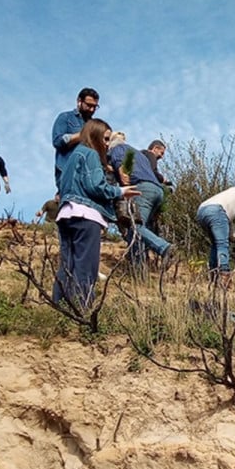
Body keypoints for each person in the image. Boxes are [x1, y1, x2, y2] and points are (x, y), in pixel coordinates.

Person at [53, 118, 139, 311]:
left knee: (67, 266)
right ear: (96, 136)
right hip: (86, 216)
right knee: (86, 266)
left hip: (66, 214)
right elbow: (96, 186)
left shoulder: (73, 156)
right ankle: (82, 310)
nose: (108, 144)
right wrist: (121, 192)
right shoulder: (90, 154)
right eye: (106, 139)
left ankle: (59, 308)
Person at [106, 131, 172, 264]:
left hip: (142, 190)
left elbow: (124, 176)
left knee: (134, 227)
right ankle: (139, 271)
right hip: (157, 191)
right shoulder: (136, 153)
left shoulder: (117, 148)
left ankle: (164, 248)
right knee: (140, 231)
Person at [196, 186, 235, 281]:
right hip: (216, 210)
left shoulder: (227, 203)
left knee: (216, 244)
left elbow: (231, 234)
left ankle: (213, 275)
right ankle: (224, 274)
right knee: (222, 244)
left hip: (201, 213)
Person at [52, 87, 99, 188]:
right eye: (89, 105)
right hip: (69, 173)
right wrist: (83, 134)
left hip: (89, 175)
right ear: (79, 101)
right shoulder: (65, 117)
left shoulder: (95, 125)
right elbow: (57, 141)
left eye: (95, 107)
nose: (92, 109)